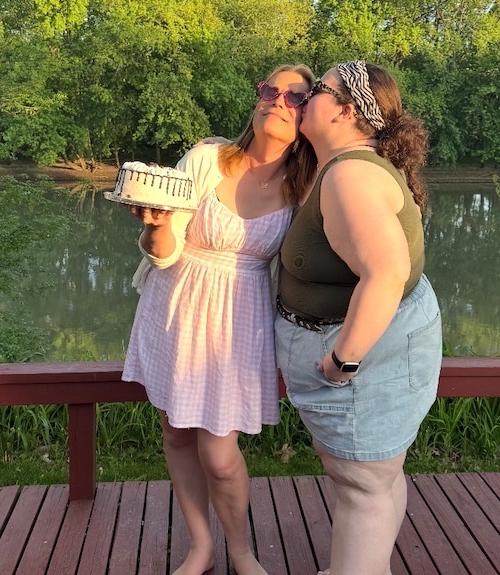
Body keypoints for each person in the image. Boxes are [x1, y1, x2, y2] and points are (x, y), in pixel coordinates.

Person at [121, 64, 316, 575]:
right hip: (176, 304)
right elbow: (162, 253)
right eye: (269, 89)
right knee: (177, 433)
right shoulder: (207, 159)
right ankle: (201, 547)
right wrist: (156, 226)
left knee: (221, 454)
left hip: (239, 321)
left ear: (309, 115)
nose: (277, 99)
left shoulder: (306, 187)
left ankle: (241, 551)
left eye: (294, 96)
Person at [274, 60, 442, 575]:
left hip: (355, 366)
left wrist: (341, 361)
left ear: (346, 110)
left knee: (362, 486)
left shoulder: (350, 176)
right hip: (377, 355)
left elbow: (386, 273)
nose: (304, 99)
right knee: (377, 477)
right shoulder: (343, 165)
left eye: (317, 91)